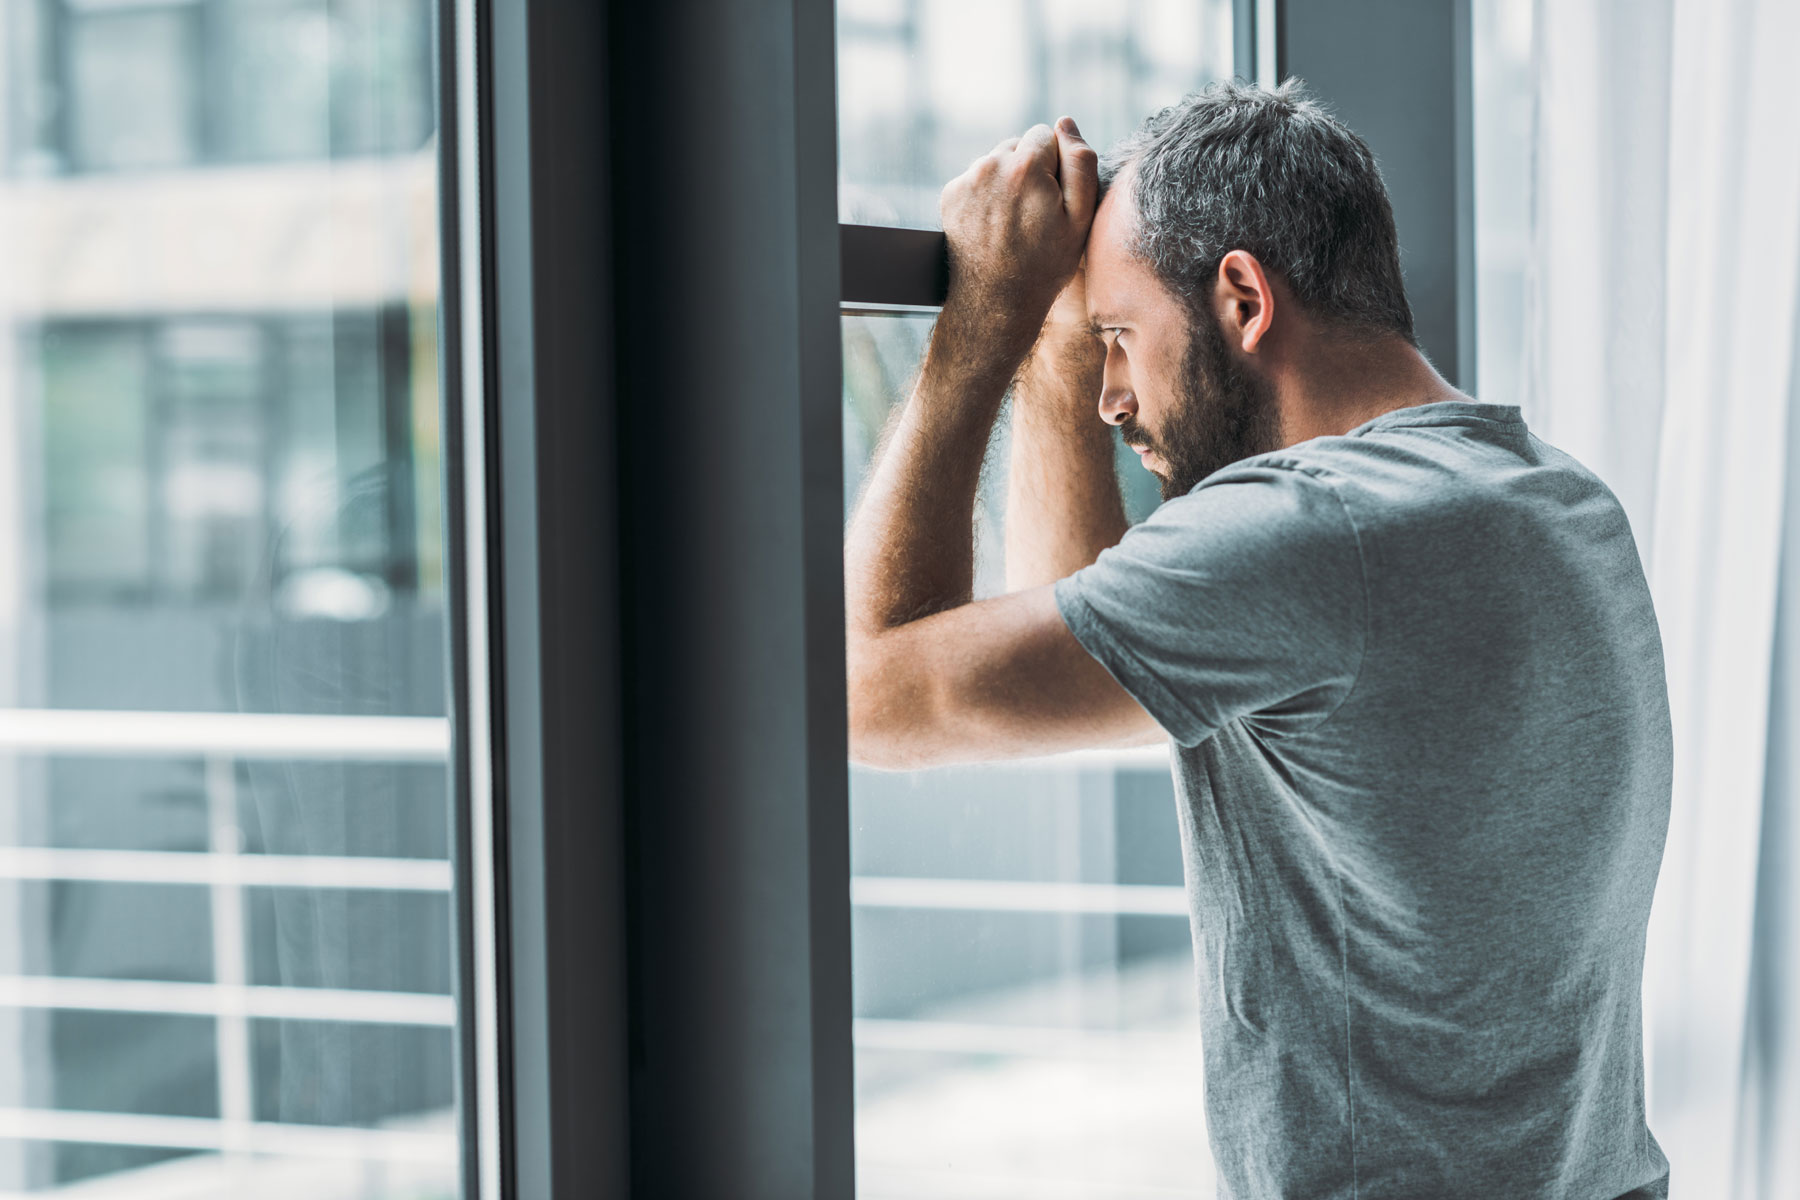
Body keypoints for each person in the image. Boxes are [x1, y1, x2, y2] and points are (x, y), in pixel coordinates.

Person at [844, 80, 1673, 1200]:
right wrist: (1057, 348)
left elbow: (871, 698)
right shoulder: (1549, 498)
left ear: (1241, 296)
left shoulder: (1314, 532)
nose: (1113, 397)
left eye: (1122, 338)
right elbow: (1099, 623)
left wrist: (980, 321)